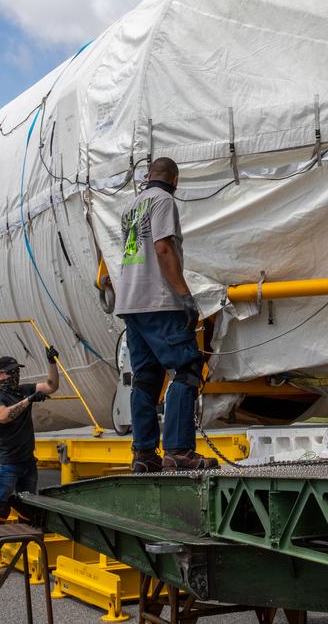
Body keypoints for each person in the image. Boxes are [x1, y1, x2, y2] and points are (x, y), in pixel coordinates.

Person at [113, 157, 219, 472]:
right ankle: (178, 450)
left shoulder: (131, 207)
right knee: (186, 368)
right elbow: (162, 248)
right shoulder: (163, 201)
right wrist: (184, 295)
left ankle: (144, 455)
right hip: (159, 301)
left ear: (148, 176)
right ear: (175, 179)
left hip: (131, 303)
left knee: (145, 379)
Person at [0, 348, 59, 524]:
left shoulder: (23, 390)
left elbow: (51, 386)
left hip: (27, 463)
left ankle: (23, 548)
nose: (15, 375)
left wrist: (52, 363)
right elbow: (3, 416)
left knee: (28, 511)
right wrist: (29, 400)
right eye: (10, 372)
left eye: (17, 371)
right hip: (6, 465)